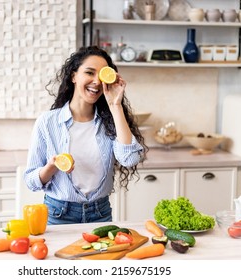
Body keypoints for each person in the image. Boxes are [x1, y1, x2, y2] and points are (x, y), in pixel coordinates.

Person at [24, 45, 148, 225]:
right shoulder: (47, 122)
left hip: (100, 214)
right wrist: (51, 167)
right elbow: (30, 180)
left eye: (102, 75)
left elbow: (129, 159)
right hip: (58, 214)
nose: (97, 81)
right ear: (74, 76)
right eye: (89, 73)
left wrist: (116, 106)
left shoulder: (111, 121)